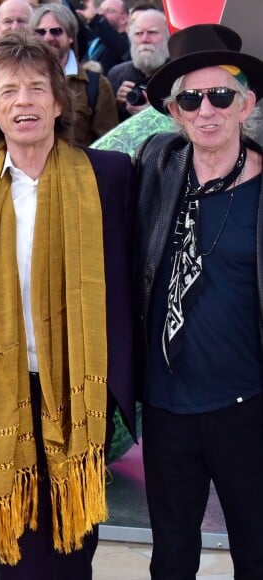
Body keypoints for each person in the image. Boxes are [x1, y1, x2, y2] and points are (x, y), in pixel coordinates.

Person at [0, 30, 136, 580]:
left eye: (37, 88)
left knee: (75, 545)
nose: (23, 101)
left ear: (59, 102)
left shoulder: (109, 177)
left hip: (81, 389)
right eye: (8, 92)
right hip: (5, 391)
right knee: (20, 547)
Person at [135, 23, 263, 578]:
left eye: (221, 95)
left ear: (246, 104)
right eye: (191, 98)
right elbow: (67, 168)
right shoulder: (153, 166)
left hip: (248, 407)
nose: (206, 109)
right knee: (171, 557)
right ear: (175, 111)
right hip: (167, 409)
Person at [30, 4, 118, 146]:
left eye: (56, 31)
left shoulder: (96, 85)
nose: (48, 37)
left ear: (70, 36)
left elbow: (108, 145)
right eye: (40, 32)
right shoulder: (18, 81)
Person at [108, 8, 169, 121]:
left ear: (168, 37)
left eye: (152, 32)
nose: (145, 39)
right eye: (138, 33)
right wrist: (116, 104)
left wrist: (154, 115)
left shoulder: (180, 76)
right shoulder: (117, 75)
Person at [77, 0, 130, 74]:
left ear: (123, 19)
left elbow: (114, 40)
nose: (101, 13)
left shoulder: (127, 43)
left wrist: (95, 18)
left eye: (109, 11)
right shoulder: (96, 40)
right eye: (100, 10)